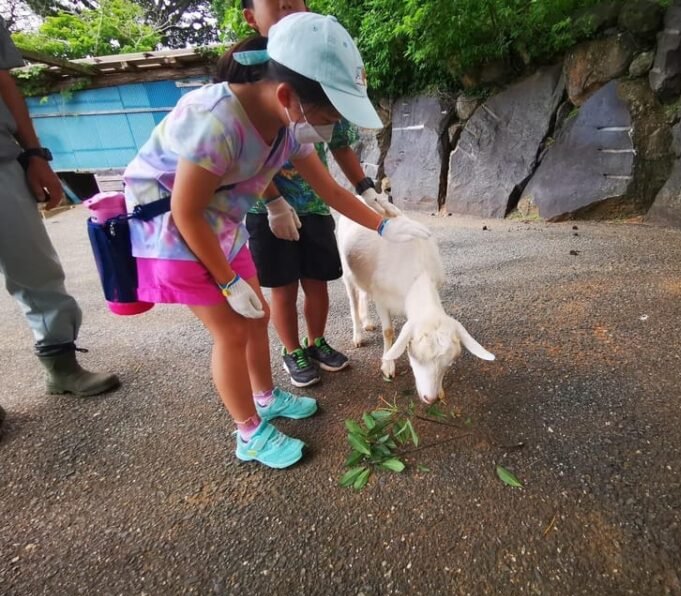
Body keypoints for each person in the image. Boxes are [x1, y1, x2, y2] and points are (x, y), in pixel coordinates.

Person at [123, 12, 430, 469]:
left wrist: (384, 225)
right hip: (173, 229)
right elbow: (185, 211)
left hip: (219, 224)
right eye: (329, 114)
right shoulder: (217, 121)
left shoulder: (289, 123)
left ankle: (265, 398)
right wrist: (227, 282)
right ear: (288, 95)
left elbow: (327, 190)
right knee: (229, 330)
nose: (331, 126)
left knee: (258, 315)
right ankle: (248, 433)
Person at [238, 0, 398, 388]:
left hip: (313, 203)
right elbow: (248, 157)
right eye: (277, 3)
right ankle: (292, 351)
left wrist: (368, 193)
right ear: (250, 16)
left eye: (297, 0)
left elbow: (336, 154)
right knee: (282, 287)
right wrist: (274, 201)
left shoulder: (319, 87)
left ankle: (317, 342)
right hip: (265, 207)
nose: (289, 7)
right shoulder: (251, 90)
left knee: (318, 279)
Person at [0, 17, 119, 414]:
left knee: (34, 265)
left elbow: (4, 81)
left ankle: (61, 366)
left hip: (1, 159)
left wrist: (33, 153)